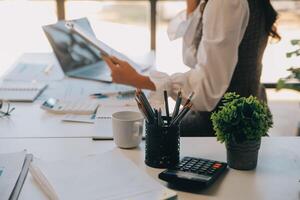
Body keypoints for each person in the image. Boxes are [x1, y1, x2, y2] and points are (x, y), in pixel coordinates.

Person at [103, 0, 280, 136]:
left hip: (223, 128)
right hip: (245, 116)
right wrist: (192, 6)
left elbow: (206, 91)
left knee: (136, 137)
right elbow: (194, 58)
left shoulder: (224, 3)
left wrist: (138, 80)